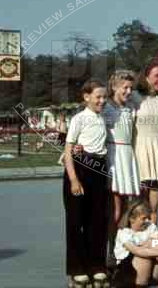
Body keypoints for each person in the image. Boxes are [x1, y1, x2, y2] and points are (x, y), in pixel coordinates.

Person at [62, 79, 111, 285]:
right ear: (86, 97)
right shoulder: (79, 119)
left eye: (104, 97)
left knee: (98, 220)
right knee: (76, 221)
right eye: (98, 96)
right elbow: (68, 150)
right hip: (81, 168)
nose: (102, 101)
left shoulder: (104, 117)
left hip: (99, 169)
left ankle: (97, 265)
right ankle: (77, 268)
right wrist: (73, 179)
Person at [130, 60, 158, 226]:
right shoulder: (134, 96)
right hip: (139, 152)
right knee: (136, 206)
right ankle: (131, 246)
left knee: (153, 208)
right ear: (146, 77)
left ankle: (152, 241)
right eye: (156, 75)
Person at [104, 70, 141, 268]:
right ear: (114, 87)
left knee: (129, 207)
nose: (128, 91)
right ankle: (110, 250)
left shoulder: (131, 108)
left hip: (128, 155)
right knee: (116, 209)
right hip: (114, 155)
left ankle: (123, 248)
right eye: (124, 87)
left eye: (130, 88)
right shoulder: (106, 107)